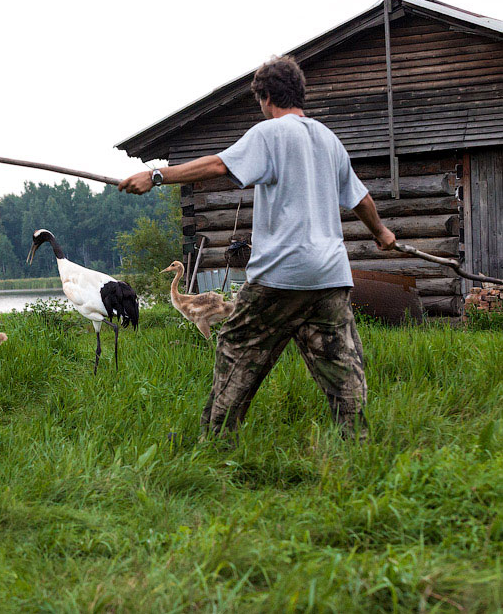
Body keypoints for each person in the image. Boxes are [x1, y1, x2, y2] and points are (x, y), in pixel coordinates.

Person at [118, 55, 396, 441]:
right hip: (330, 275)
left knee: (236, 347)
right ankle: (357, 443)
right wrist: (381, 233)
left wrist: (156, 175)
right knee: (340, 364)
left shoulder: (269, 134)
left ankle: (215, 442)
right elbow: (361, 199)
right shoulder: (328, 139)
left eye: (259, 101)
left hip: (281, 275)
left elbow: (219, 165)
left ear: (266, 97)